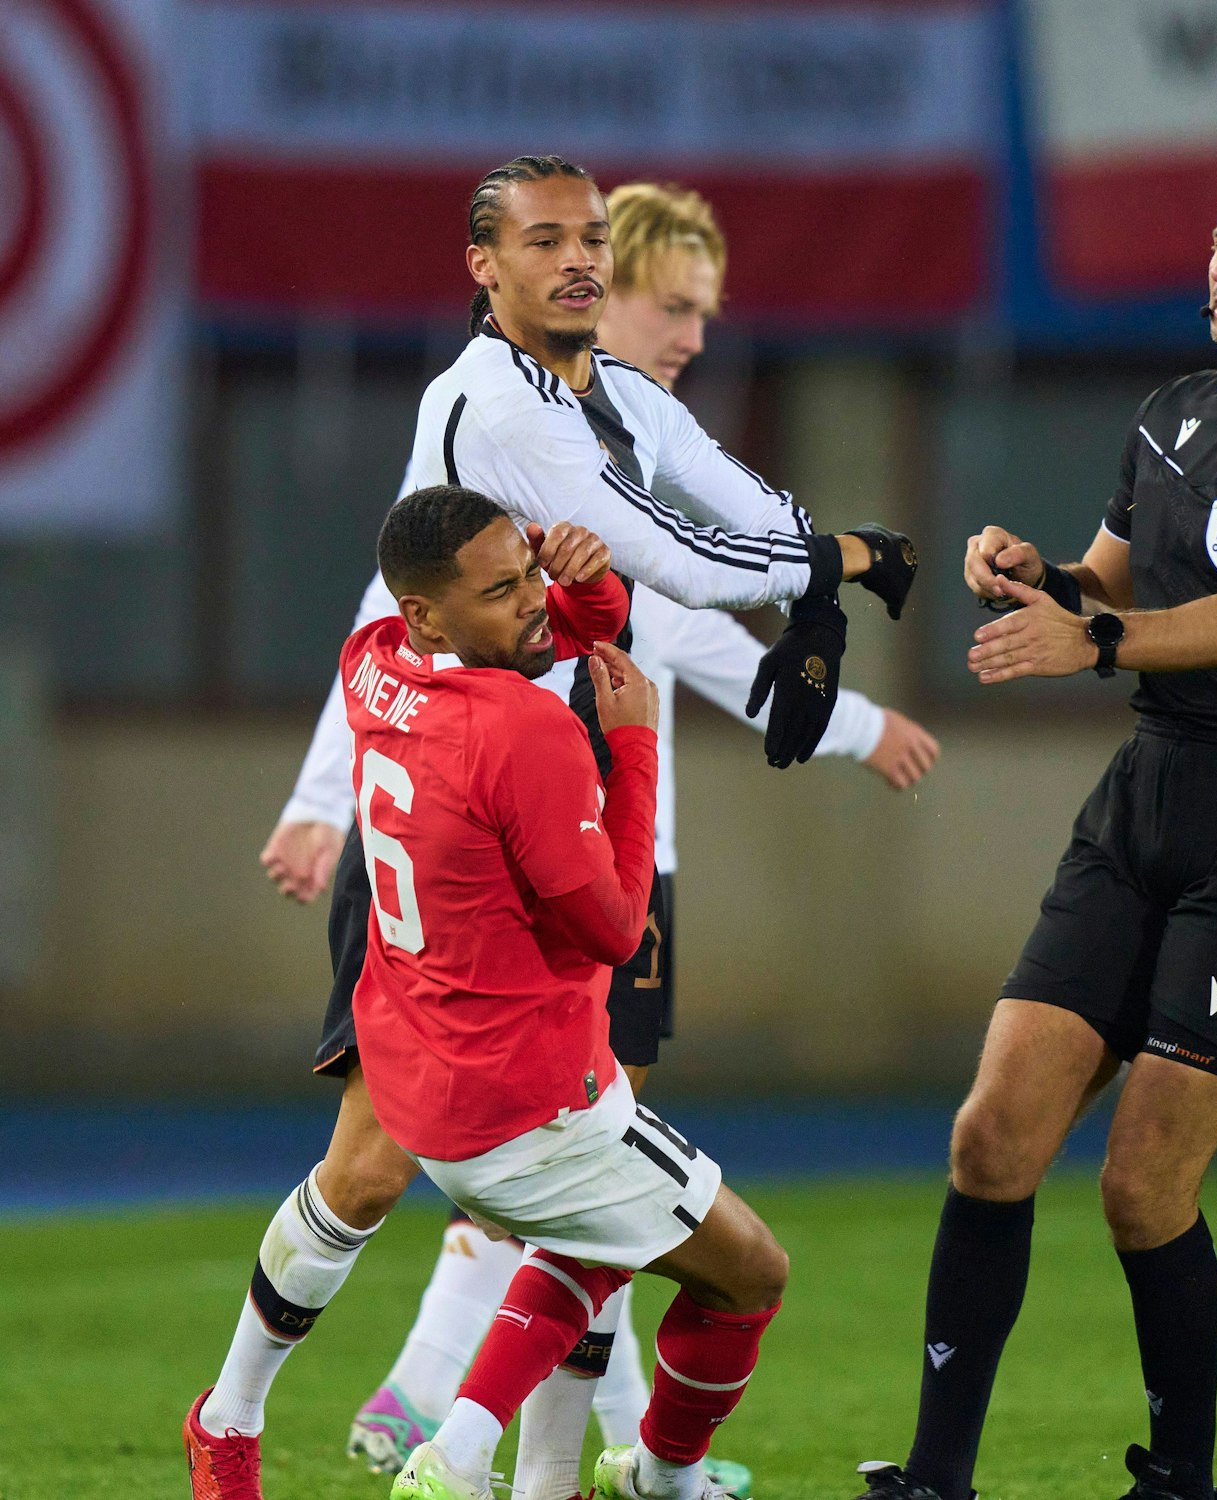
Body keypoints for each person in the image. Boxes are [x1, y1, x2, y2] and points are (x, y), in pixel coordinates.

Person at [185, 154, 917, 1500]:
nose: (689, 329)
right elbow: (674, 577)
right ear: (496, 268)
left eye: (597, 245)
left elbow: (646, 559)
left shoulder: (602, 407)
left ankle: (514, 1460)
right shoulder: (510, 422)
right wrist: (836, 586)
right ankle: (377, 1418)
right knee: (406, 1162)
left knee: (578, 1159)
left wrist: (792, 595)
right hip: (498, 816)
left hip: (505, 785)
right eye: (669, 297)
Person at [852, 159, 1217, 1500]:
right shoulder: (1170, 412)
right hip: (1146, 793)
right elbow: (1109, 576)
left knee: (1142, 1187)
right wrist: (1035, 574)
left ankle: (1181, 1484)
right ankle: (935, 1477)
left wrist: (1094, 636)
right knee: (992, 1136)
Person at [336, 484, 767, 1500]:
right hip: (533, 1097)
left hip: (435, 1091)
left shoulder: (372, 665)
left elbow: (555, 629)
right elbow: (615, 929)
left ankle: (499, 1464)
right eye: (504, 588)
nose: (534, 598)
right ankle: (656, 1481)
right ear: (431, 613)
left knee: (600, 1241)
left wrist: (586, 586)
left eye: (530, 569)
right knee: (750, 1273)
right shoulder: (521, 732)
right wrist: (636, 742)